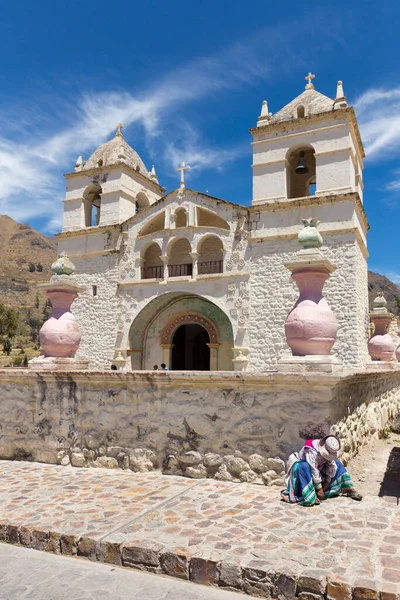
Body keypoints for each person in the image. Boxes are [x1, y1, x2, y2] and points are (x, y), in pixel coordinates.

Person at [281, 435, 362, 506]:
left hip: (320, 470)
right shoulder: (311, 450)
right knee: (304, 466)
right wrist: (319, 488)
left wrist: (326, 483)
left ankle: (348, 489)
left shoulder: (330, 451)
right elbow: (313, 469)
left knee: (337, 464)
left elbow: (331, 465)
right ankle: (310, 495)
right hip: (305, 470)